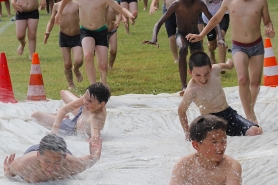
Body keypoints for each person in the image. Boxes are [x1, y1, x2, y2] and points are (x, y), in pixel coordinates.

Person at [186, 0, 275, 124]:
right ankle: (249, 116)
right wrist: (201, 35)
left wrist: (269, 29)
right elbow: (216, 18)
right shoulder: (229, 2)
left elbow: (267, 22)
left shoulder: (260, 2)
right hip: (239, 46)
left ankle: (250, 108)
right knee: (243, 79)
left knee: (255, 84)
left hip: (256, 46)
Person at [143, 0, 224, 95]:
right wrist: (154, 38)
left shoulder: (199, 4)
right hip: (181, 34)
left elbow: (214, 21)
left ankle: (199, 84)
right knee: (183, 48)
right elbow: (159, 23)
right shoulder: (177, 4)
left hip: (195, 35)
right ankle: (184, 85)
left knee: (199, 60)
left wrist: (220, 38)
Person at [178, 52, 262, 140]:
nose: (203, 79)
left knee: (256, 131)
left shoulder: (215, 69)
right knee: (214, 141)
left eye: (207, 73)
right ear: (190, 72)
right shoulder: (191, 91)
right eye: (198, 75)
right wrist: (187, 133)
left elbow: (224, 66)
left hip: (228, 114)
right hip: (210, 119)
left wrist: (229, 64)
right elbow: (181, 111)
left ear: (211, 67)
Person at [55, 0, 136, 87]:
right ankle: (93, 86)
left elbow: (119, 8)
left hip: (101, 31)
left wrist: (129, 15)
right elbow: (64, 1)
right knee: (88, 55)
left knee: (103, 65)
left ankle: (104, 82)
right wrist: (59, 13)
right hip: (86, 31)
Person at [169, 115, 242, 185]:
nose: (221, 147)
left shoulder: (230, 166)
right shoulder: (184, 165)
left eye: (223, 140)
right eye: (214, 142)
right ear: (196, 145)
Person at [3, 134, 102, 183]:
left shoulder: (72, 165)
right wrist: (8, 168)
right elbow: (8, 174)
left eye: (57, 162)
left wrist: (95, 154)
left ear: (64, 158)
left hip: (60, 153)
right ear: (38, 156)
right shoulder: (24, 165)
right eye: (47, 162)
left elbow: (90, 160)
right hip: (34, 151)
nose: (51, 167)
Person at [31, 82, 111, 139]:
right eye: (85, 98)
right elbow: (64, 109)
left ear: (102, 104)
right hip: (81, 114)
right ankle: (63, 116)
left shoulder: (96, 118)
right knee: (63, 92)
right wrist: (55, 128)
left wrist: (92, 141)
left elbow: (95, 137)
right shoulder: (89, 98)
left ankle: (64, 118)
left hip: (73, 127)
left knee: (35, 115)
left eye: (90, 101)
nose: (85, 102)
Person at [44, 0, 83, 90]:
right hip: (64, 37)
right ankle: (70, 83)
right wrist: (47, 32)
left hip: (77, 36)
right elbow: (51, 21)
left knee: (79, 60)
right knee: (67, 63)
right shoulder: (57, 5)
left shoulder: (77, 4)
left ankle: (76, 69)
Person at [202, 0, 229, 67]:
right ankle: (210, 50)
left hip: (224, 14)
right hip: (208, 16)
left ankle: (222, 66)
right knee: (212, 45)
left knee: (221, 35)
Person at [106, 0, 122, 68]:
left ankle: (110, 65)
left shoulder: (114, 3)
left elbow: (119, 13)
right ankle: (103, 65)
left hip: (112, 30)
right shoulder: (100, 3)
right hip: (102, 31)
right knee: (103, 51)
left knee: (113, 51)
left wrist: (117, 22)